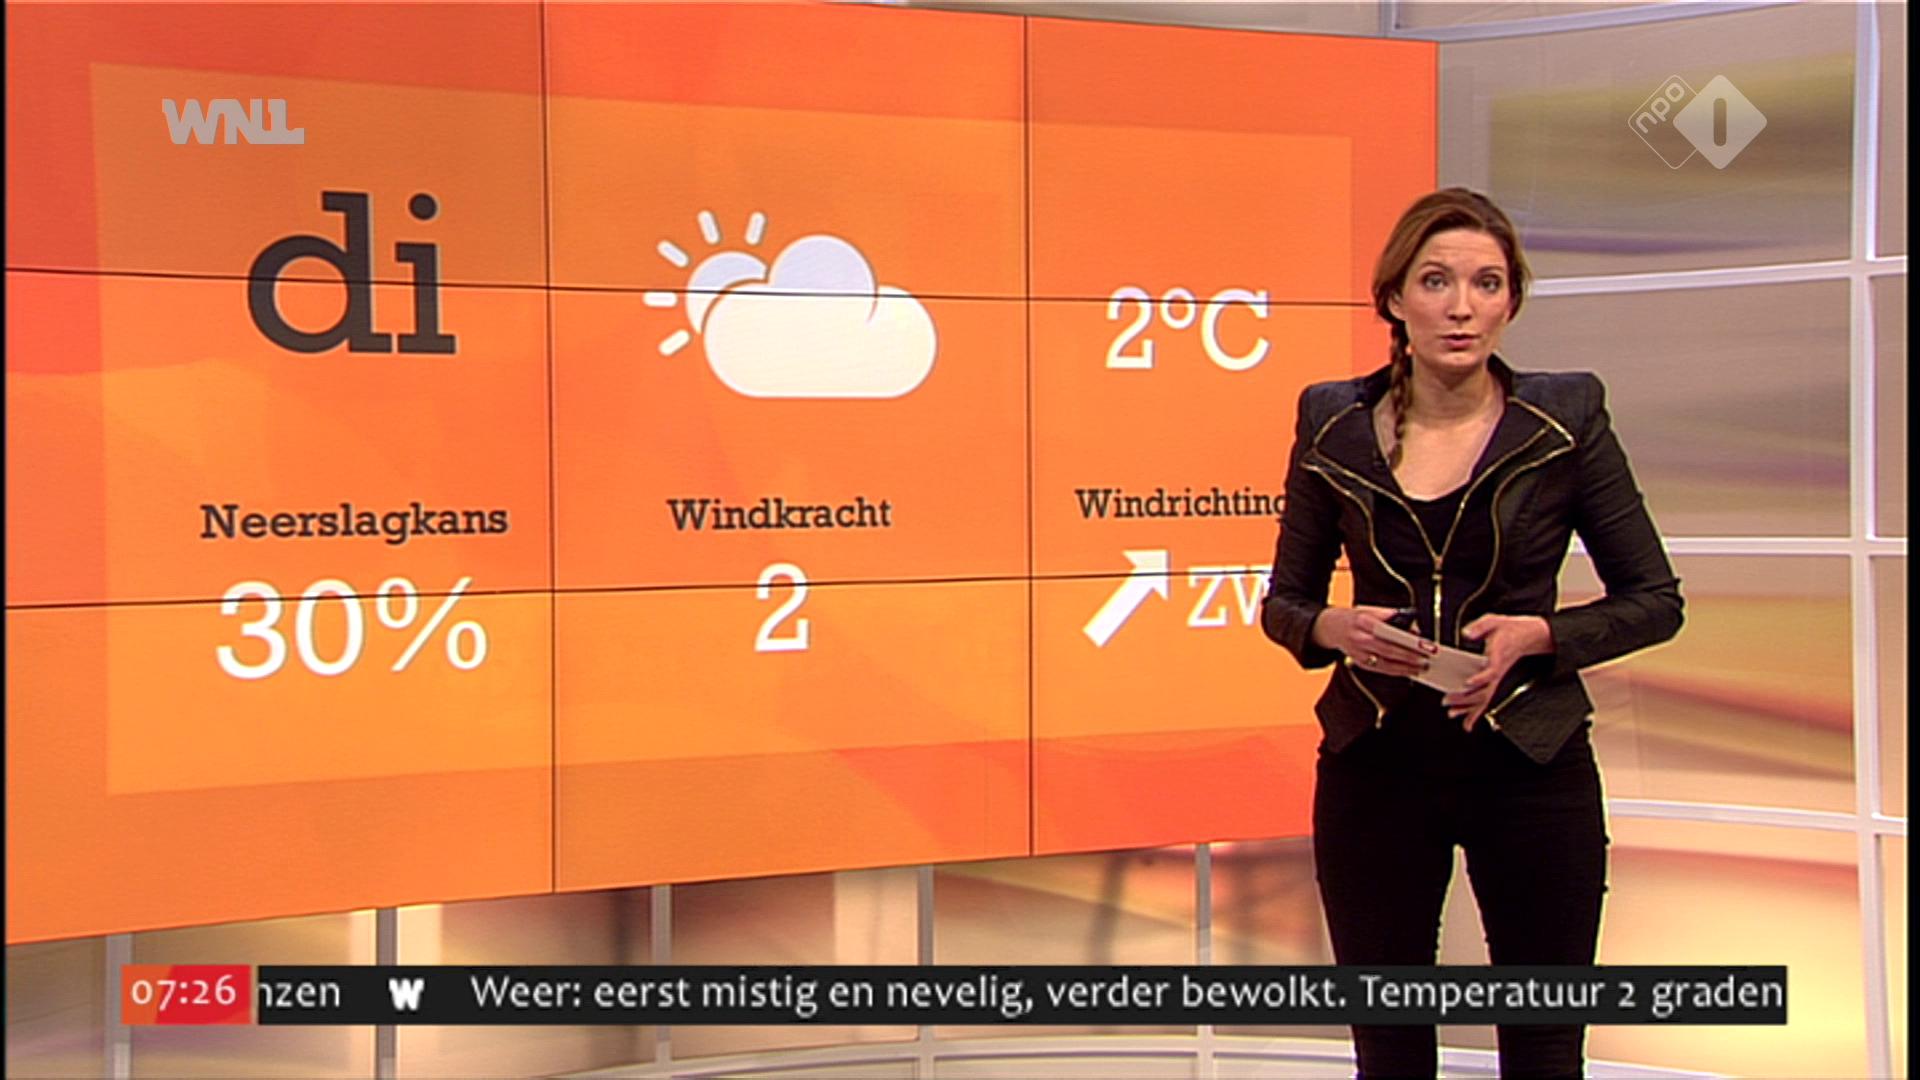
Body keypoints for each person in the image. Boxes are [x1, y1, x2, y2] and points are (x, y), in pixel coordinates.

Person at [1261, 187, 1683, 1078]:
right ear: (1393, 298)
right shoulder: (1331, 422)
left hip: (1531, 766)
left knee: (1544, 1047)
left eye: (1487, 284)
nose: (1461, 307)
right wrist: (1333, 626)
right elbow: (1285, 603)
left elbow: (1654, 599)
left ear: (1510, 301)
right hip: (1375, 769)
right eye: (1436, 281)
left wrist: (1541, 637)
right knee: (1390, 1050)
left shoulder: (1565, 421)